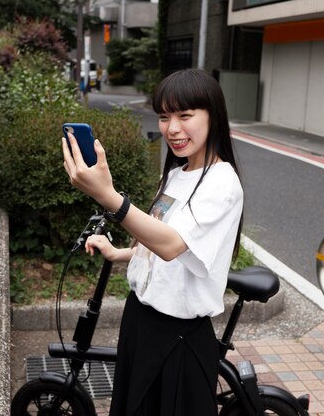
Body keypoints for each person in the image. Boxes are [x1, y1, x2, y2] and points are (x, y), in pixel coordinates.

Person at [61, 68, 244, 416]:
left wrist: (109, 197)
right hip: (141, 321)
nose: (172, 128)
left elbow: (173, 244)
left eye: (185, 115)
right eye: (164, 116)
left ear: (213, 117)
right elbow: (158, 242)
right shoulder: (176, 173)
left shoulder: (222, 183)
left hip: (179, 338)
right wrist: (121, 253)